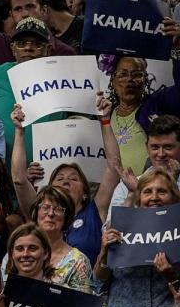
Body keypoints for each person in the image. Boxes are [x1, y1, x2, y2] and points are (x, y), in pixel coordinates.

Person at [11, 98, 120, 264]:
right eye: (59, 178)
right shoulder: (40, 211)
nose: (65, 182)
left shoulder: (94, 211)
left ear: (85, 193)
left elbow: (114, 168)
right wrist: (19, 131)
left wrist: (105, 120)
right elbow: (19, 179)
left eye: (73, 179)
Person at [97, 169, 180, 307]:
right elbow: (99, 282)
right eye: (147, 191)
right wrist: (104, 252)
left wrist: (172, 276)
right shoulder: (120, 228)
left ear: (174, 198)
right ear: (139, 198)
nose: (154, 197)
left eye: (162, 191)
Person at [0, 17, 63, 164]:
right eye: (21, 44)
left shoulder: (64, 78)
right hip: (2, 172)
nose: (28, 48)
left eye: (37, 44)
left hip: (51, 172)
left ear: (48, 50)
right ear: (13, 49)